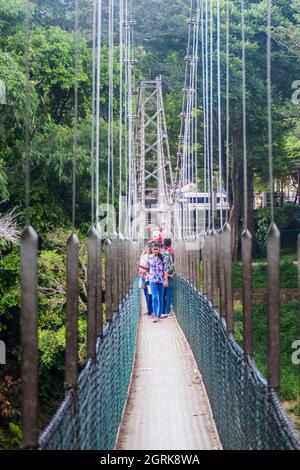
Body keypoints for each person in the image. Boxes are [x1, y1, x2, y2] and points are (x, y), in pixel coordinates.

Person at [138, 242, 168, 323]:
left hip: (161, 280)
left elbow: (165, 270)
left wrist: (166, 280)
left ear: (159, 249)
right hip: (152, 280)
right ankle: (155, 315)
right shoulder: (149, 257)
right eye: (154, 249)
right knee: (155, 297)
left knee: (160, 298)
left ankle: (159, 315)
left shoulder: (163, 258)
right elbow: (148, 268)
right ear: (152, 249)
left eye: (157, 249)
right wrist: (139, 266)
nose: (155, 250)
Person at [138, 244, 153, 317]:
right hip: (144, 278)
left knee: (149, 295)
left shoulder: (151, 257)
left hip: (149, 279)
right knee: (147, 294)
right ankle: (149, 310)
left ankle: (151, 311)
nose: (148, 250)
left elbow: (148, 268)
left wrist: (139, 266)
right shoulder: (144, 256)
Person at [161, 239, 175, 318]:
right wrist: (169, 276)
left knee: (162, 294)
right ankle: (167, 311)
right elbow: (166, 266)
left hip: (162, 276)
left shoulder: (161, 252)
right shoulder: (169, 252)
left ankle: (162, 311)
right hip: (168, 276)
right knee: (169, 294)